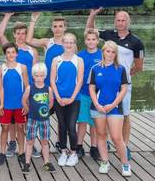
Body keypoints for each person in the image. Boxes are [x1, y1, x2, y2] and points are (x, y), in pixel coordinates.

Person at [86, 8, 145, 161]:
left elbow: (139, 66)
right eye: (118, 20)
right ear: (115, 21)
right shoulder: (108, 35)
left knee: (125, 115)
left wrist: (123, 77)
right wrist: (93, 14)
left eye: (123, 20)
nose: (120, 23)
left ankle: (124, 147)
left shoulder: (136, 42)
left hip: (124, 85)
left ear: (128, 21)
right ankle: (104, 143)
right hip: (105, 82)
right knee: (104, 112)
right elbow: (89, 31)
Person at [0, 12, 40, 158]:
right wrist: (7, 15)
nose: (21, 36)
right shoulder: (10, 48)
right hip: (10, 94)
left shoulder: (32, 51)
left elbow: (34, 73)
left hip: (26, 90)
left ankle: (29, 144)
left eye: (23, 33)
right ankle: (12, 143)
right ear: (14, 35)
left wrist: (31, 95)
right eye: (18, 33)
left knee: (26, 121)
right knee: (12, 122)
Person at [89, 41, 130, 176]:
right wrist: (97, 105)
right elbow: (92, 88)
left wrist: (112, 104)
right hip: (98, 107)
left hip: (115, 107)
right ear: (103, 52)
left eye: (113, 52)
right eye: (108, 51)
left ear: (116, 54)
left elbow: (124, 89)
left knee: (116, 137)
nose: (110, 54)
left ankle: (125, 164)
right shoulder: (95, 69)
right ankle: (105, 162)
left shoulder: (121, 69)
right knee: (101, 135)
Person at [26, 12, 66, 152]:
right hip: (46, 87)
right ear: (52, 28)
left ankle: (61, 144)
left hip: (61, 87)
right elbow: (29, 40)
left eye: (60, 26)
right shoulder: (47, 42)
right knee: (41, 116)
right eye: (55, 26)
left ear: (65, 28)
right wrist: (33, 20)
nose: (57, 29)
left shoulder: (69, 44)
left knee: (62, 120)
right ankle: (40, 144)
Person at [50, 33, 84, 167]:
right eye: (66, 42)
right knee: (62, 126)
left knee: (71, 126)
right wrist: (58, 97)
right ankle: (63, 151)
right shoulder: (56, 60)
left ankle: (74, 153)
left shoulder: (78, 60)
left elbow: (80, 81)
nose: (69, 45)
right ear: (62, 44)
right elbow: (52, 79)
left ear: (74, 44)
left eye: (71, 42)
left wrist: (71, 98)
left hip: (74, 99)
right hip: (59, 98)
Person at [0, 43, 29, 166]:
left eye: (13, 52)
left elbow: (27, 86)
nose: (10, 54)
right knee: (5, 128)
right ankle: (2, 153)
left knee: (20, 128)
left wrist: (26, 103)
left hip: (20, 104)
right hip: (6, 105)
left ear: (17, 53)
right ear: (5, 54)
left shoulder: (23, 67)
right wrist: (0, 104)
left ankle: (21, 153)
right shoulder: (0, 68)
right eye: (8, 52)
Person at [21, 62, 56, 174]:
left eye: (41, 75)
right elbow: (24, 100)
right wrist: (28, 108)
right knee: (30, 141)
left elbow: (51, 102)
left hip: (44, 120)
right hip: (32, 119)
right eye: (37, 75)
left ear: (45, 76)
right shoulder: (29, 88)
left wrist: (45, 111)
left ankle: (46, 162)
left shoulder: (48, 89)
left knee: (44, 141)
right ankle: (27, 163)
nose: (39, 78)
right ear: (33, 76)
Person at [77, 28, 102, 160]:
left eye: (93, 39)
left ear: (97, 41)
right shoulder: (80, 56)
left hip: (97, 96)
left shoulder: (102, 55)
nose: (91, 41)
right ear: (85, 41)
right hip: (83, 93)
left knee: (94, 122)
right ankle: (79, 146)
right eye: (88, 39)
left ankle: (94, 147)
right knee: (82, 121)